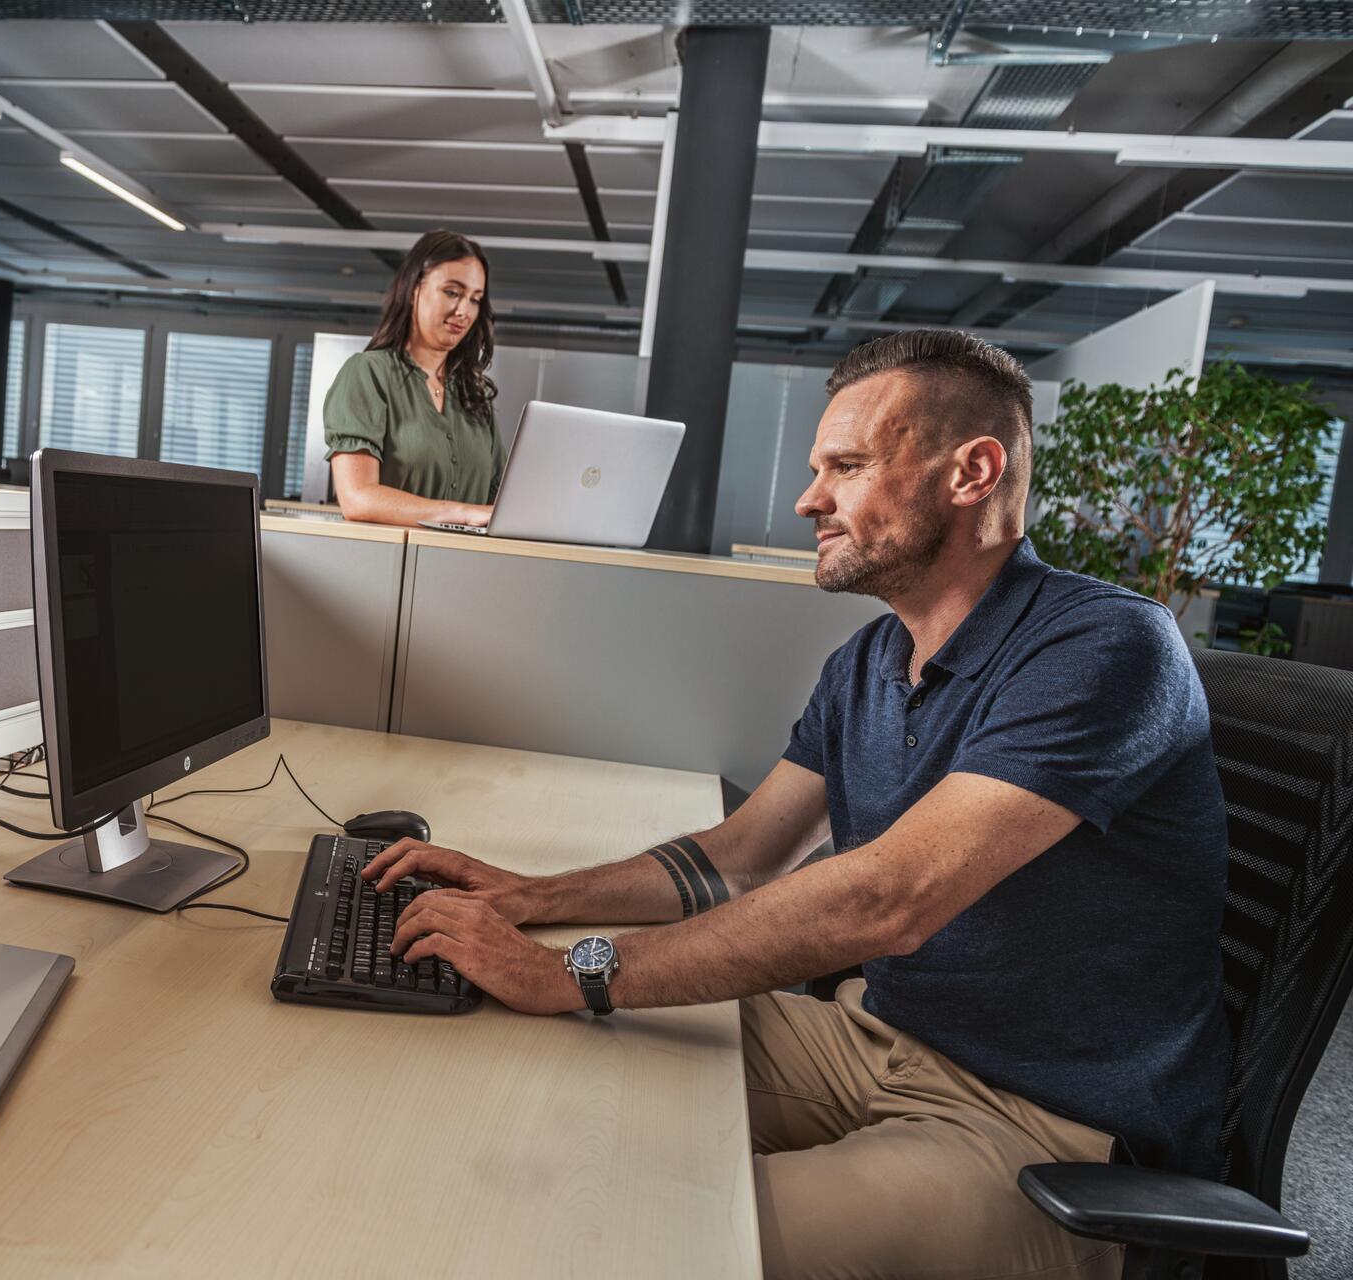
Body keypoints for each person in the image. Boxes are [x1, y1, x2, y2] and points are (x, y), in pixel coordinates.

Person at [362, 330, 1230, 1280]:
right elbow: (740, 856)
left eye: (846, 467)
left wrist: (574, 972)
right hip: (866, 1041)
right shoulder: (869, 661)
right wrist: (530, 898)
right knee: (515, 1058)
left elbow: (887, 900)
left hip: (1037, 1124)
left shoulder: (1105, 648)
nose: (808, 498)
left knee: (633, 1241)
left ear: (974, 472)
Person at [323, 229, 507, 528]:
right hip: (390, 568)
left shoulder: (474, 396)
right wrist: (462, 513)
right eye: (452, 292)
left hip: (470, 570)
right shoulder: (368, 374)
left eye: (475, 299)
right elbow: (357, 498)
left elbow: (501, 503)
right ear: (413, 290)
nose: (464, 311)